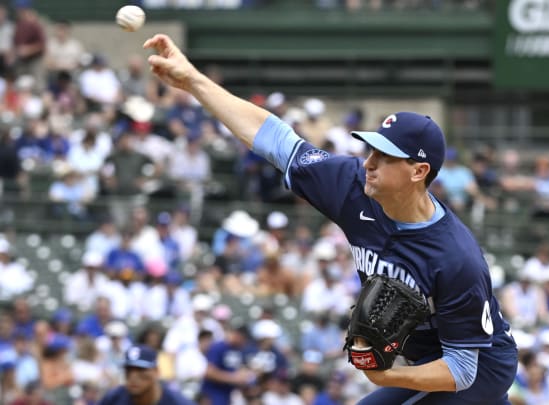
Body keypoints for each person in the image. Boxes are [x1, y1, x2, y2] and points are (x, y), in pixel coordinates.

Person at [144, 34, 518, 404]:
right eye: (371, 149)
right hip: (428, 362)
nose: (368, 162)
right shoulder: (352, 185)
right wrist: (192, 80)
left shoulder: (456, 257)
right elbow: (275, 139)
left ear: (419, 171)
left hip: (476, 372)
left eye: (385, 156)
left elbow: (463, 368)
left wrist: (386, 375)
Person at [98, 345, 196, 405]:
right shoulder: (114, 397)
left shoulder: (177, 402)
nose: (133, 376)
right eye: (129, 370)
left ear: (157, 372)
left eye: (141, 369)